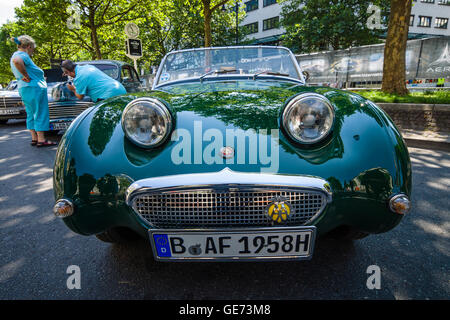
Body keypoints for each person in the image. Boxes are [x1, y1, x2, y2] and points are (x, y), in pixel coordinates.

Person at [10, 35, 56, 147]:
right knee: (40, 112)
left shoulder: (14, 55)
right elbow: (17, 61)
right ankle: (41, 139)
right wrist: (26, 75)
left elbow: (17, 62)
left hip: (24, 88)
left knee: (30, 113)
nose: (33, 52)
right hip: (34, 88)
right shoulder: (22, 55)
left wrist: (30, 76)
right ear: (29, 46)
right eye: (33, 49)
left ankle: (34, 138)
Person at [60, 60, 126, 102]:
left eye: (66, 73)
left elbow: (80, 96)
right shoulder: (87, 67)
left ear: (69, 72)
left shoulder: (79, 77)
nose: (67, 75)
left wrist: (73, 89)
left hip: (109, 96)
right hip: (120, 89)